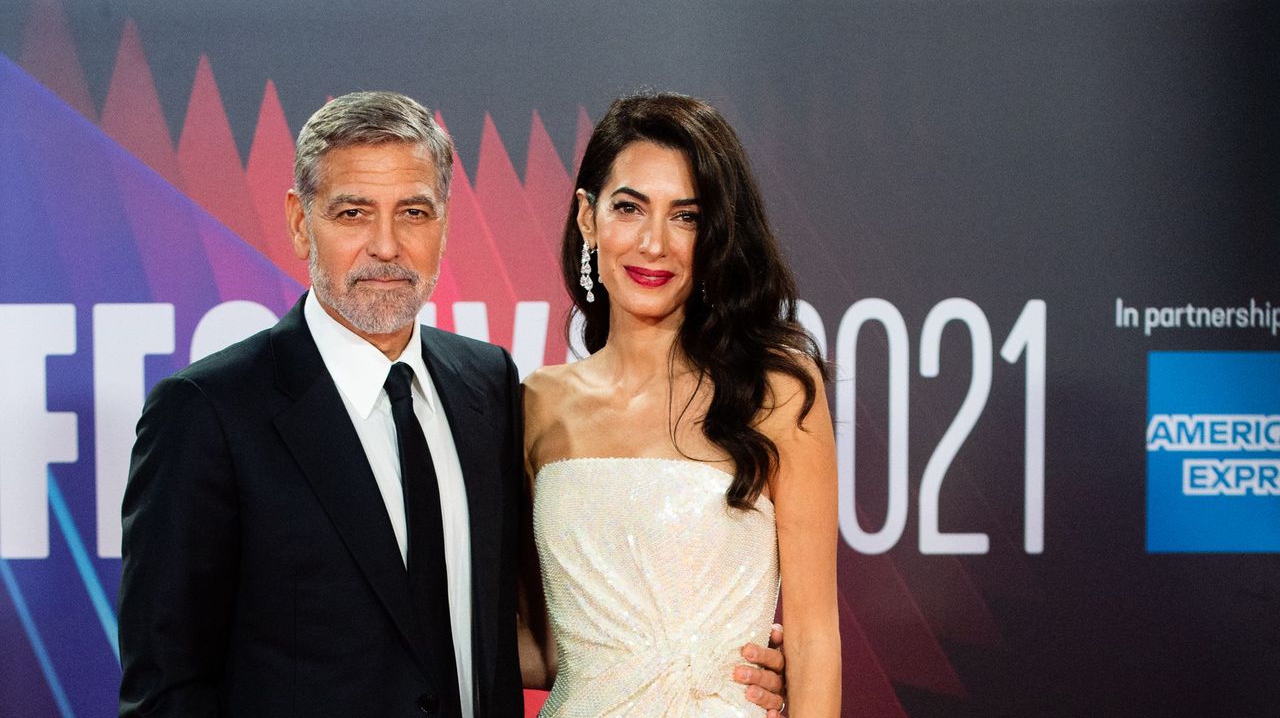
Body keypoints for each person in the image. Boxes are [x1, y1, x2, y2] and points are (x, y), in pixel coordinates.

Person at [118, 90, 786, 718]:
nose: (386, 246)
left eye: (413, 212)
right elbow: (165, 687)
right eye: (353, 212)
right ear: (300, 220)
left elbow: (528, 629)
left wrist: (718, 658)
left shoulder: (486, 385)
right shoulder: (207, 412)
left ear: (444, 222)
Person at [521, 92, 842, 716]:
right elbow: (545, 643)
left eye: (686, 216)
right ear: (587, 218)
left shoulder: (777, 391)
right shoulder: (536, 405)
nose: (654, 243)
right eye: (629, 207)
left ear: (716, 233)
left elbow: (813, 638)